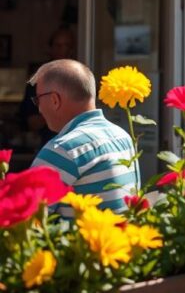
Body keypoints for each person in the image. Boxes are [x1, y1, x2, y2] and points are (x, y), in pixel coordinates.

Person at [30, 59, 139, 217]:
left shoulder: (64, 149)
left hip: (81, 241)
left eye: (38, 99)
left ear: (55, 100)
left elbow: (25, 219)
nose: (39, 108)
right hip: (119, 239)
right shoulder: (123, 137)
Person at [18, 26, 77, 150]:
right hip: (48, 146)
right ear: (51, 49)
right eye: (58, 45)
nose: (63, 50)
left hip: (77, 144)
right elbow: (31, 122)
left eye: (67, 45)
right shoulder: (38, 79)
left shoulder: (80, 77)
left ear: (72, 49)